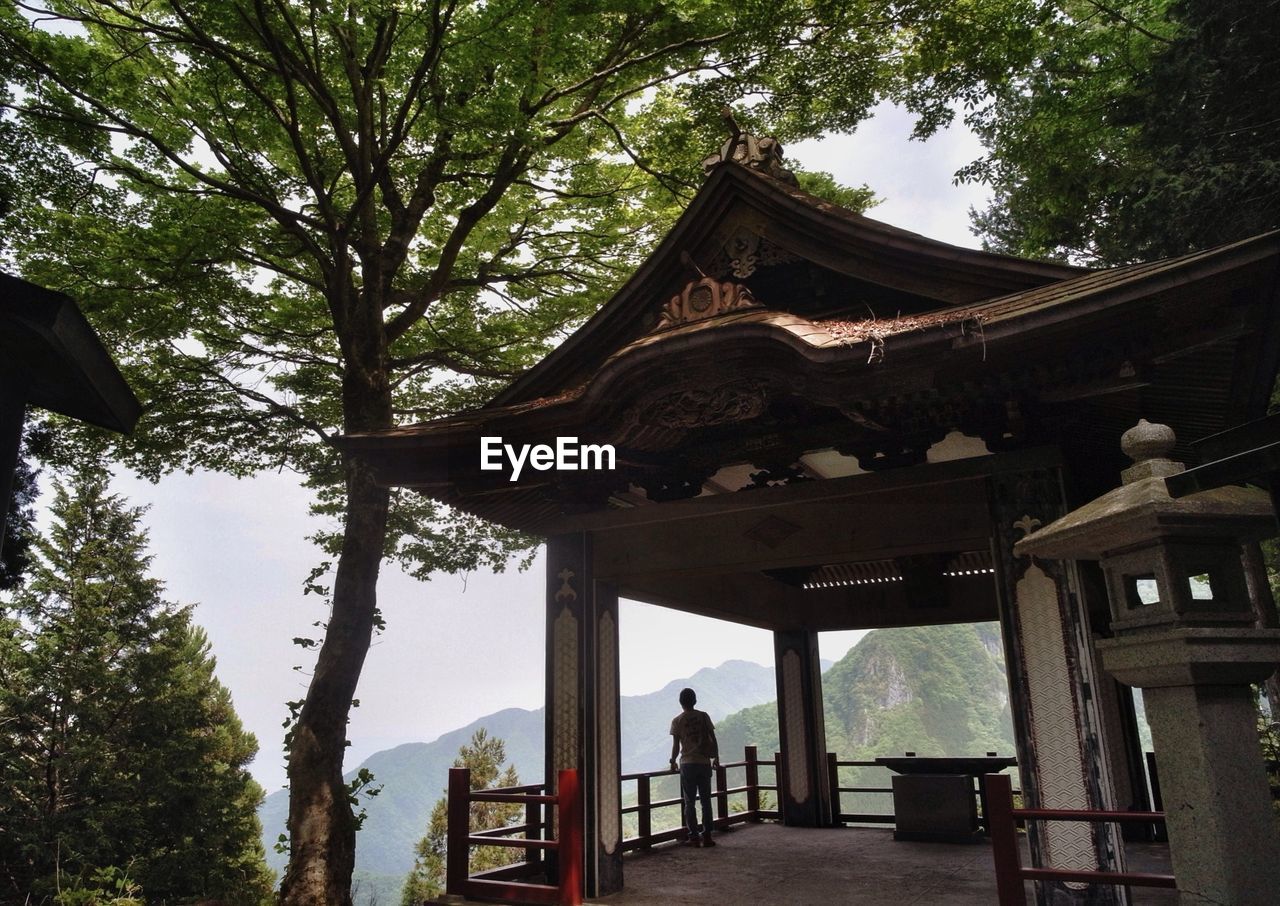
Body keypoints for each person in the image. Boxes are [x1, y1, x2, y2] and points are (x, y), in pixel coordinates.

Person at [669, 686, 720, 847]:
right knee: (706, 801)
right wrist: (716, 757)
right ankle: (707, 837)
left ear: (680, 703)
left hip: (687, 764)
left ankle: (694, 837)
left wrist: (672, 761)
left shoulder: (677, 721)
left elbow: (676, 746)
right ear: (695, 701)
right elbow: (713, 738)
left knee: (689, 802)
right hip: (704, 763)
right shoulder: (704, 716)